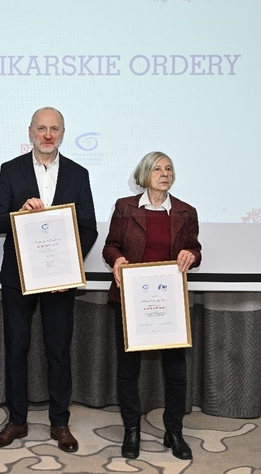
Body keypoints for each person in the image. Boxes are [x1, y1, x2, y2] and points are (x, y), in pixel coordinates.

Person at [0, 107, 97, 452]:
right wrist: (17, 213)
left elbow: (89, 228)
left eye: (54, 129)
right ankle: (17, 421)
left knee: (59, 351)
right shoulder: (10, 170)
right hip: (17, 276)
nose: (47, 135)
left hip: (60, 280)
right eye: (41, 129)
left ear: (62, 133)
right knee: (16, 349)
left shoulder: (78, 173)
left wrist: (69, 267)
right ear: (30, 132)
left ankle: (60, 423)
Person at [102, 151, 201, 460]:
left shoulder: (186, 212)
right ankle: (132, 430)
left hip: (169, 303)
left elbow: (195, 249)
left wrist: (191, 255)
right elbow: (110, 246)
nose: (164, 173)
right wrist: (117, 259)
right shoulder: (125, 207)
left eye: (169, 169)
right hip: (131, 299)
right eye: (157, 169)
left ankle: (174, 432)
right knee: (128, 370)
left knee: (176, 372)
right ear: (145, 174)